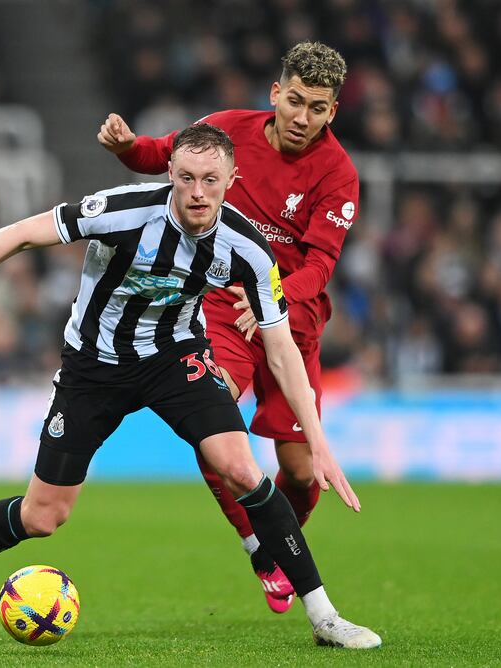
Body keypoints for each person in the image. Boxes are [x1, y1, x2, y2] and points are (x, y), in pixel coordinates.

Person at [0, 124, 380, 649]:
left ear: (232, 180)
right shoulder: (123, 211)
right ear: (169, 173)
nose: (197, 192)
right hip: (93, 367)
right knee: (43, 516)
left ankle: (324, 617)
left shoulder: (249, 250)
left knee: (242, 469)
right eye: (186, 177)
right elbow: (22, 233)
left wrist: (319, 442)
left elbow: (282, 350)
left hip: (175, 358)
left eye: (210, 180)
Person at [98, 41, 359, 615]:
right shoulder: (226, 131)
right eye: (295, 101)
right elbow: (161, 154)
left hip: (293, 321)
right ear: (275, 94)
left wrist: (272, 294)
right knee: (212, 422)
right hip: (219, 304)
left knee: (299, 470)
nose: (302, 117)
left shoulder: (338, 174)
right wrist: (126, 147)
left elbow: (318, 267)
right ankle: (257, 543)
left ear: (332, 112)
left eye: (317, 108)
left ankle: (275, 544)